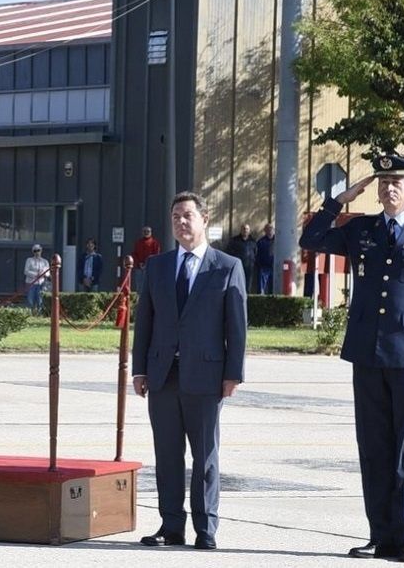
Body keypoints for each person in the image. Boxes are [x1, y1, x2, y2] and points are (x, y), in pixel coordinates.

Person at [299, 152, 404, 564]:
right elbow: (311, 239)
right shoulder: (363, 229)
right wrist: (340, 200)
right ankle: (379, 534)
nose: (389, 188)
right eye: (383, 181)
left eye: (397, 182)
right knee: (373, 447)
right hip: (368, 351)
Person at [132, 191, 246, 551]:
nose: (182, 222)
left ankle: (205, 527)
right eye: (176, 217)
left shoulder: (227, 266)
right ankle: (170, 526)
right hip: (163, 374)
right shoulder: (158, 266)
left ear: (204, 219)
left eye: (188, 216)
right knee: (167, 455)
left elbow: (236, 327)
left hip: (207, 376)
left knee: (205, 456)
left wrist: (233, 374)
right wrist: (139, 369)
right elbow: (145, 322)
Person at [226, 224, 258, 293]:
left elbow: (256, 253)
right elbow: (229, 252)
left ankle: (247, 298)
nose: (245, 230)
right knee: (237, 283)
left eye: (247, 229)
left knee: (248, 285)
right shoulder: (235, 240)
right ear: (241, 230)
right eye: (244, 229)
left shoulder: (252, 241)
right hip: (238, 266)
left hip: (249, 267)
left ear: (249, 231)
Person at [130, 225, 162, 291]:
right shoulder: (138, 242)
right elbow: (134, 254)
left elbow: (156, 255)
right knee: (139, 286)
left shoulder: (155, 243)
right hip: (139, 267)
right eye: (145, 231)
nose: (146, 233)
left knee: (149, 286)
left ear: (151, 232)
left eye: (148, 231)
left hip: (150, 268)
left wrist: (147, 263)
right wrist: (139, 263)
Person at [23, 244, 49, 315]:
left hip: (41, 283)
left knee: (40, 300)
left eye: (38, 250)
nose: (37, 252)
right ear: (33, 252)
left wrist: (44, 274)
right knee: (30, 300)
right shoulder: (29, 260)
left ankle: (39, 314)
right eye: (35, 251)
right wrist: (35, 274)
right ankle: (30, 314)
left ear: (41, 251)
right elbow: (26, 271)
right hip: (31, 283)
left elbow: (48, 273)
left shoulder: (45, 262)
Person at [256, 223, 275, 294]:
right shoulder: (261, 241)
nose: (270, 230)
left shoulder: (278, 241)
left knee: (273, 288)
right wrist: (259, 264)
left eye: (271, 228)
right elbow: (256, 254)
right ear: (265, 230)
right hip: (264, 267)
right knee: (261, 288)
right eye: (267, 229)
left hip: (275, 268)